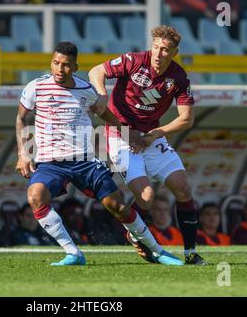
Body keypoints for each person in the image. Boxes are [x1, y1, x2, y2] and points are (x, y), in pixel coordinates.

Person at [15, 41, 183, 266]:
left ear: (74, 67)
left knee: (118, 207)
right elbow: (21, 118)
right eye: (55, 63)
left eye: (65, 65)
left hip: (84, 161)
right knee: (35, 196)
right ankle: (72, 253)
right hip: (50, 162)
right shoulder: (36, 87)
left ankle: (157, 250)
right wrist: (23, 154)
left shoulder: (86, 91)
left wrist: (129, 134)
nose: (59, 69)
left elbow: (106, 115)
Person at [89, 25, 206, 265]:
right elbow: (95, 70)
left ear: (174, 52)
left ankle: (190, 253)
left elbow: (187, 118)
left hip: (151, 136)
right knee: (146, 196)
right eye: (156, 47)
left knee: (183, 189)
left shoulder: (179, 77)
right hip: (119, 133)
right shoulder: (133, 60)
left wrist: (157, 134)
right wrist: (102, 94)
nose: (158, 53)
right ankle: (135, 233)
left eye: (165, 50)